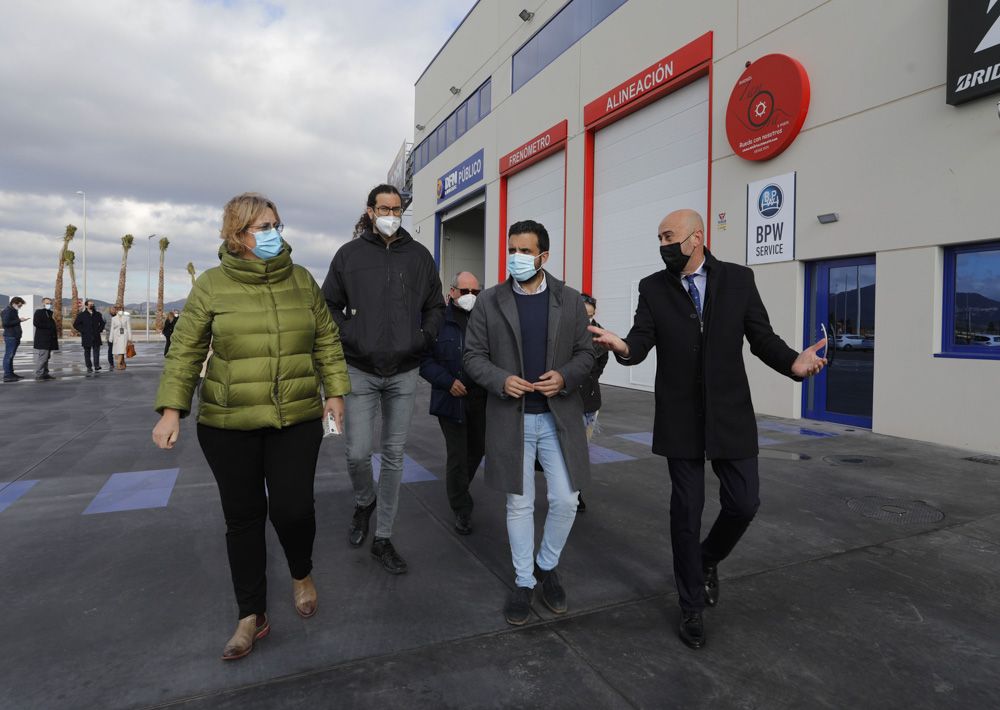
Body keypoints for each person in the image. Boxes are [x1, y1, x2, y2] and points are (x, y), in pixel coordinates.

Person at [589, 209, 827, 650]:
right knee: (686, 512)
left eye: (670, 236)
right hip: (680, 417)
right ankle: (691, 605)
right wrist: (622, 345)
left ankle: (707, 559)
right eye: (659, 237)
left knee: (744, 502)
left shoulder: (738, 279)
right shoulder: (653, 288)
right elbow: (641, 342)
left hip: (730, 414)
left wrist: (794, 362)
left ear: (697, 238)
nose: (663, 244)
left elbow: (762, 338)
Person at [152, 192, 350, 661]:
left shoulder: (301, 280)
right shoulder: (211, 286)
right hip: (228, 423)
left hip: (296, 418)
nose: (274, 233)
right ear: (237, 235)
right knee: (243, 519)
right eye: (263, 227)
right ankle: (250, 614)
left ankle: (301, 571)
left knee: (294, 509)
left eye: (277, 224)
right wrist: (171, 409)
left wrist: (336, 394)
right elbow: (185, 350)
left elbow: (326, 340)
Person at [464, 219, 594, 625]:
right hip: (511, 417)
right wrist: (500, 380)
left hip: (558, 416)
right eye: (512, 249)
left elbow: (586, 354)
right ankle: (524, 581)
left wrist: (566, 376)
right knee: (518, 503)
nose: (516, 258)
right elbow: (472, 357)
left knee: (565, 499)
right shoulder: (489, 301)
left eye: (524, 251)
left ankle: (545, 564)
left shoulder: (570, 300)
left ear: (544, 256)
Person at [322, 184, 444, 575]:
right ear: (370, 211)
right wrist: (352, 335)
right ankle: (364, 501)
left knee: (393, 456)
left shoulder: (419, 256)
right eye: (384, 208)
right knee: (357, 452)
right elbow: (327, 306)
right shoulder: (349, 255)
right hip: (359, 369)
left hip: (404, 372)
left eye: (397, 208)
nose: (391, 214)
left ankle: (384, 537)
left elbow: (435, 307)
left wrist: (421, 338)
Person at [419, 271, 486, 535]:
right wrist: (447, 381)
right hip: (451, 399)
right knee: (458, 454)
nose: (470, 297)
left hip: (480, 398)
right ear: (453, 291)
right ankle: (461, 508)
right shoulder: (437, 321)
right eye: (465, 291)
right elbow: (424, 360)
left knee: (477, 449)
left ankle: (459, 489)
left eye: (475, 292)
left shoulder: (484, 322)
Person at [575, 293, 609, 512]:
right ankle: (571, 492)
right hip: (569, 400)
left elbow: (600, 365)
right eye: (583, 314)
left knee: (581, 450)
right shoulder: (566, 332)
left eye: (590, 315)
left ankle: (576, 492)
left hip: (590, 401)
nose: (587, 319)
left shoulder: (600, 335)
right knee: (570, 449)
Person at [72, 300, 106, 373]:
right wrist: (83, 330)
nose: (92, 305)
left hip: (96, 336)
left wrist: (99, 330)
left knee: (96, 352)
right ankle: (89, 367)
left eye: (93, 304)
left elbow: (102, 323)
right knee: (87, 353)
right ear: (86, 306)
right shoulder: (82, 315)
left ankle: (96, 366)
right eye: (90, 304)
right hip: (86, 336)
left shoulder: (98, 314)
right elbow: (75, 324)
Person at [2, 297, 29, 382]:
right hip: (11, 336)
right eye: (19, 305)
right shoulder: (7, 311)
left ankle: (11, 373)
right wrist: (19, 320)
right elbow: (5, 324)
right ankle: (7, 375)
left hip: (14, 336)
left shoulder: (13, 310)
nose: (20, 307)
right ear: (14, 303)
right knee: (8, 356)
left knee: (11, 356)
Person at [32, 297, 59, 381]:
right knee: (43, 357)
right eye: (47, 303)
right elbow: (36, 323)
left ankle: (45, 373)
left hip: (50, 339)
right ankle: (39, 374)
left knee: (47, 357)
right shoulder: (39, 312)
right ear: (43, 303)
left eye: (50, 303)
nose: (49, 305)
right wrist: (49, 326)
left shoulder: (50, 313)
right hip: (43, 339)